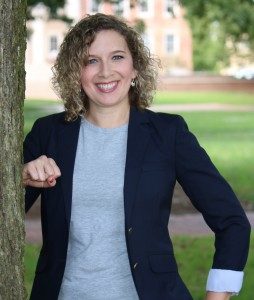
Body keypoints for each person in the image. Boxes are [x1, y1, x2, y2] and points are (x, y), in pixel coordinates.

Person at [23, 13, 250, 300]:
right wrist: (19, 177)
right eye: (91, 60)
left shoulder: (168, 133)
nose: (106, 72)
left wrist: (217, 295)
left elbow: (232, 221)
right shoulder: (48, 134)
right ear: (75, 72)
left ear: (135, 68)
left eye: (117, 57)